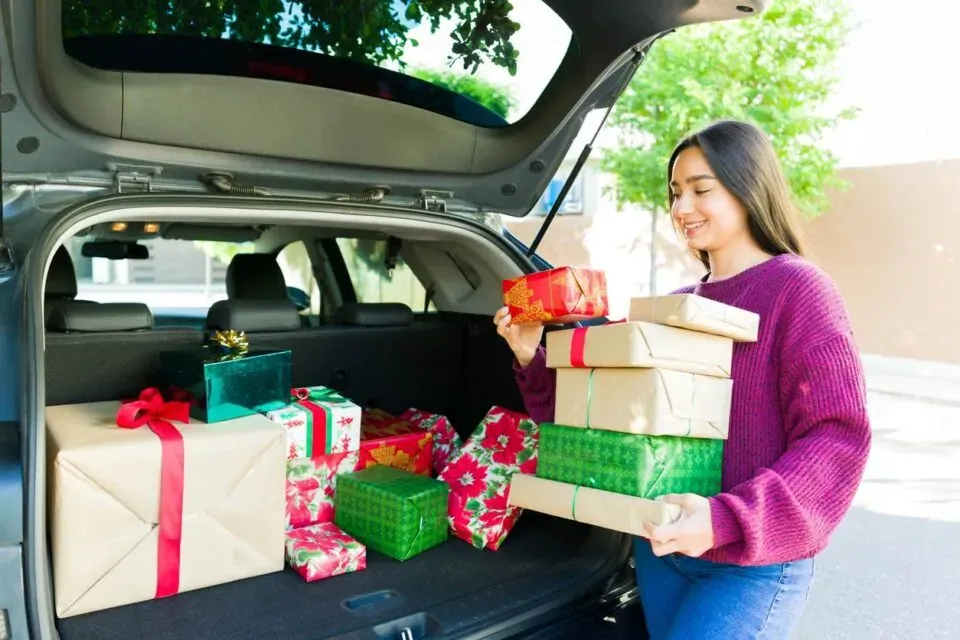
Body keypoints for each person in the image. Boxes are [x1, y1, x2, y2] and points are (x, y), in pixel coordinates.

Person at [493, 119, 871, 639]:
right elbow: (600, 422)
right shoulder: (677, 304)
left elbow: (836, 438)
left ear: (748, 187)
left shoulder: (800, 291)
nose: (681, 207)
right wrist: (529, 353)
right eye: (675, 193)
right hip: (662, 549)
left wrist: (725, 519)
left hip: (751, 563)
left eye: (700, 189)